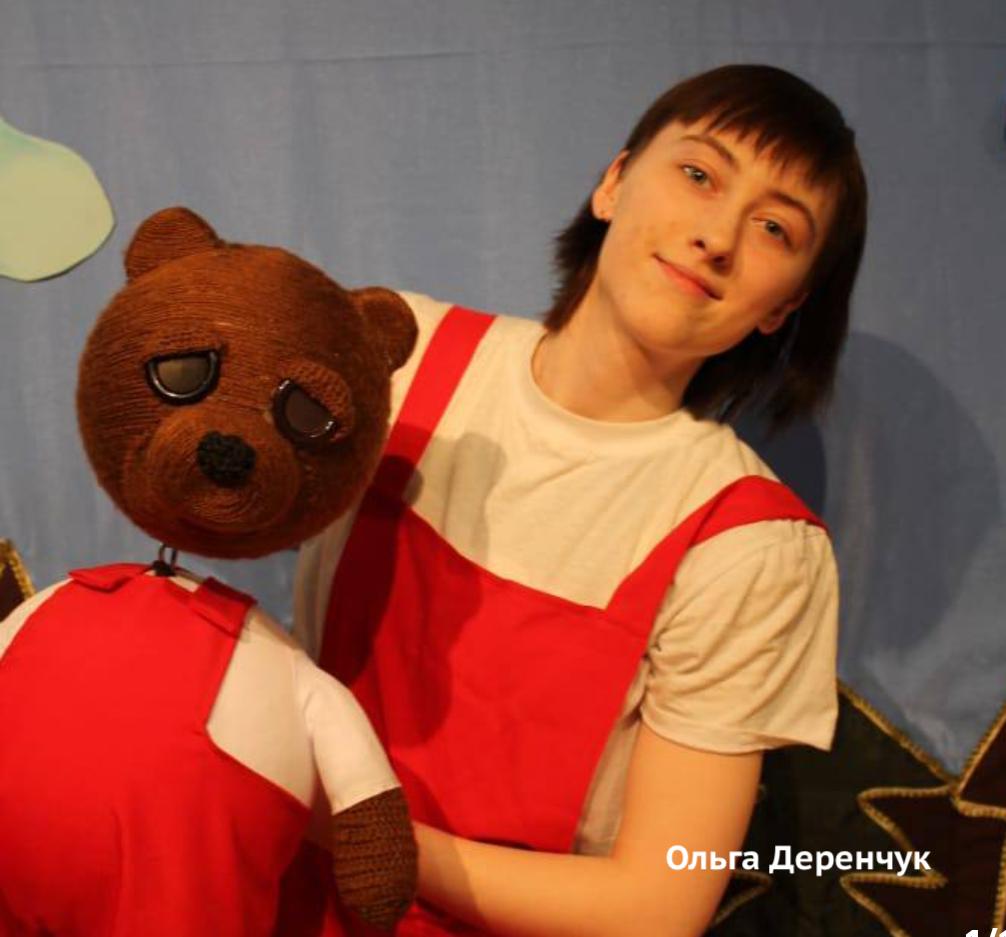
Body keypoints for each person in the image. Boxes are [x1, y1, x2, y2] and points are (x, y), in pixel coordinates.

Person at [294, 63, 868, 937]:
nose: (717, 236)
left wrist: (363, 839)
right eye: (700, 174)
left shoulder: (749, 541)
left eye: (774, 228)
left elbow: (656, 905)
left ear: (782, 307)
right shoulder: (395, 354)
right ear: (613, 182)